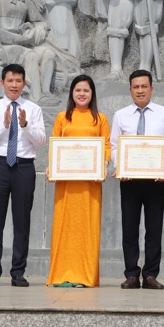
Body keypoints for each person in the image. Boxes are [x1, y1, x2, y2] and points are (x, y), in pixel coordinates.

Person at [0, 63, 47, 287]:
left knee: (22, 221)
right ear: (2, 83)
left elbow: (40, 141)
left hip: (24, 167)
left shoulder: (33, 108)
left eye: (18, 81)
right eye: (10, 80)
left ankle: (18, 271)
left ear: (24, 83)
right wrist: (4, 125)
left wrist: (25, 124)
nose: (14, 85)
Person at [110, 69, 164, 290]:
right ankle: (131, 273)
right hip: (129, 179)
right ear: (130, 90)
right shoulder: (120, 115)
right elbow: (115, 146)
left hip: (156, 180)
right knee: (129, 227)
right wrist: (120, 167)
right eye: (136, 87)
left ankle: (150, 274)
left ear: (151, 89)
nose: (140, 90)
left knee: (154, 228)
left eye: (144, 86)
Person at [47, 75, 111, 287]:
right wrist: (51, 166)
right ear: (72, 93)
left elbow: (107, 146)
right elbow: (55, 145)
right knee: (65, 226)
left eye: (86, 90)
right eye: (78, 90)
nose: (82, 94)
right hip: (66, 182)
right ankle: (61, 274)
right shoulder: (62, 117)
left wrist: (104, 163)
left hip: (90, 182)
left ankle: (85, 276)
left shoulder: (99, 119)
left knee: (87, 227)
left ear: (92, 94)